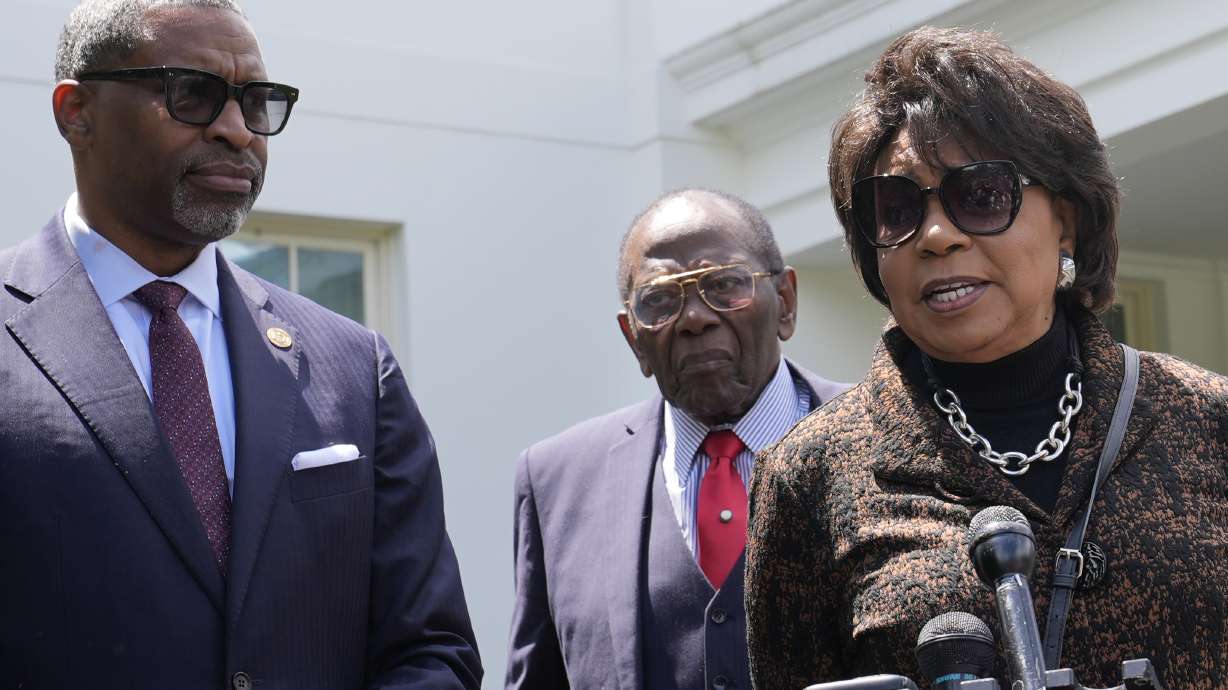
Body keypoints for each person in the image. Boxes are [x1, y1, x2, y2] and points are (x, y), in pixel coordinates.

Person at [0, 2, 481, 688]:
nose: (235, 131)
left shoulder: (352, 364)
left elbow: (430, 649)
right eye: (192, 95)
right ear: (77, 111)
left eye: (257, 103)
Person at [744, 25, 1228, 690]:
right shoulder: (811, 473)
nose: (938, 236)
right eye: (896, 208)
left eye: (981, 195)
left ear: (1067, 217)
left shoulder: (1206, 420)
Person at [505, 188, 849, 690]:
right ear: (633, 339)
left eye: (726, 284)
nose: (695, 318)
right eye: (661, 300)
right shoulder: (556, 482)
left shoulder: (886, 440)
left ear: (786, 303)